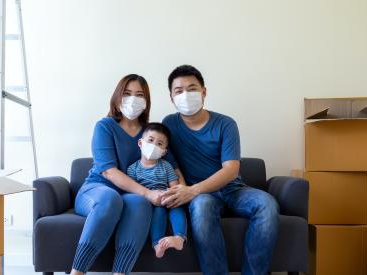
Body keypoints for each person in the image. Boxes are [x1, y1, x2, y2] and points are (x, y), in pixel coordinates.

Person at [161, 65, 280, 275]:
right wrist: (183, 189)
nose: (186, 95)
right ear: (171, 97)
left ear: (204, 92)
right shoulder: (169, 124)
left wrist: (193, 189)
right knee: (202, 208)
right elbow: (171, 164)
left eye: (192, 88)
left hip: (232, 189)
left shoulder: (225, 123)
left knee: (267, 204)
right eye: (179, 91)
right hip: (202, 197)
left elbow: (231, 170)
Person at [70, 74, 183, 275]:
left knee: (139, 203)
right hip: (97, 191)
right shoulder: (104, 126)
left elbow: (173, 165)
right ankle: (77, 272)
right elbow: (109, 172)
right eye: (127, 93)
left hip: (129, 197)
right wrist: (148, 193)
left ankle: (121, 272)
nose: (133, 99)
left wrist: (179, 191)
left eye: (139, 95)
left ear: (146, 101)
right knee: (111, 198)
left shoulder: (150, 133)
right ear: (117, 97)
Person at [126, 122, 187, 258]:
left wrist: (168, 197)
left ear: (164, 151)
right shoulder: (132, 169)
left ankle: (179, 238)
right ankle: (157, 245)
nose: (154, 146)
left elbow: (175, 186)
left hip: (167, 199)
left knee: (177, 209)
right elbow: (133, 191)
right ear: (141, 143)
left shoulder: (166, 166)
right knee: (158, 212)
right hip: (148, 203)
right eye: (151, 140)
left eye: (159, 144)